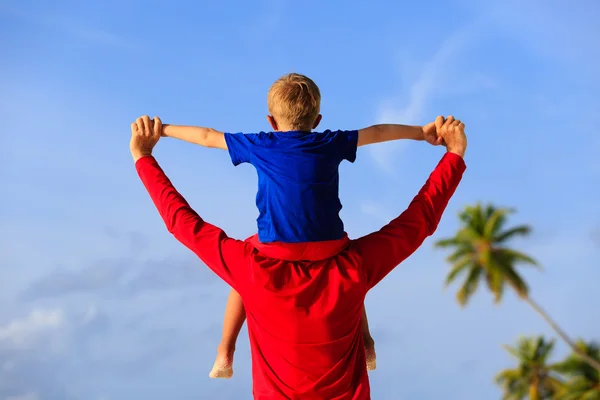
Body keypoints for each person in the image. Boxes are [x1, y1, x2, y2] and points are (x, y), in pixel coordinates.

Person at [130, 112, 467, 399]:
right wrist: (453, 155)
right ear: (316, 119)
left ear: (271, 121)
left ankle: (225, 350)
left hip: (272, 267)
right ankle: (366, 343)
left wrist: (144, 156)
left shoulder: (251, 266)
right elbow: (417, 223)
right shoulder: (353, 268)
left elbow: (183, 223)